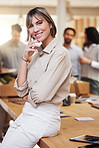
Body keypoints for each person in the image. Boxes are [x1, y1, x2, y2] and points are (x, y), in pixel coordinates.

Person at [1, 7, 72, 148]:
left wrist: (27, 96)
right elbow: (21, 89)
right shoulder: (37, 53)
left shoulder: (60, 53)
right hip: (28, 113)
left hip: (44, 118)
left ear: (50, 24)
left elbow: (39, 95)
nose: (35, 29)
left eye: (39, 23)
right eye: (31, 26)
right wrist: (24, 58)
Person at [79, 27, 99, 95]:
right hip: (83, 79)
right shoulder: (84, 48)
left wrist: (89, 62)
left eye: (85, 35)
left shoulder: (97, 48)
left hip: (94, 81)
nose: (84, 37)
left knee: (94, 101)